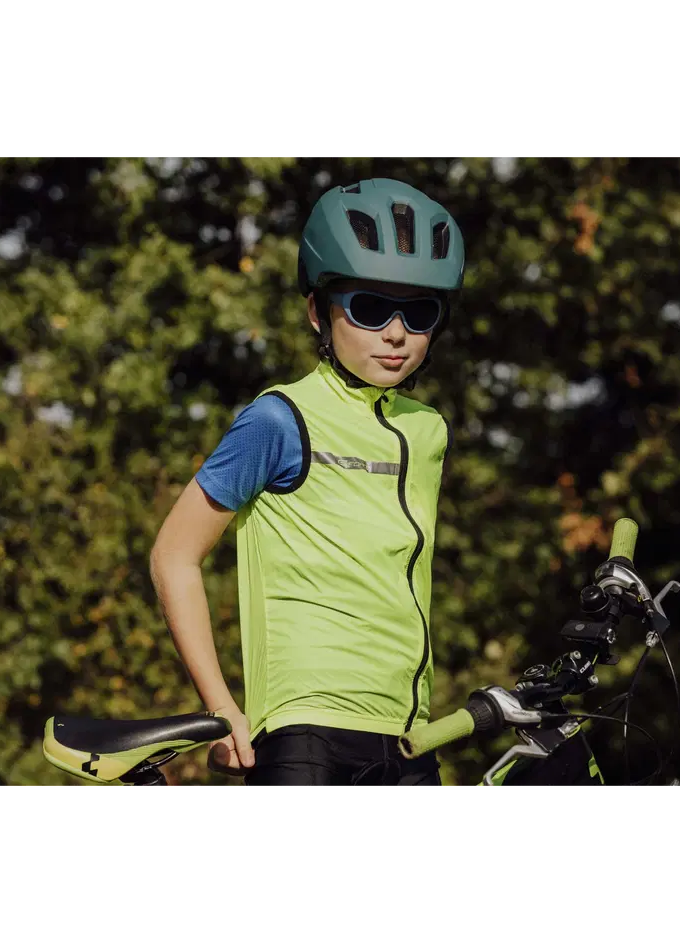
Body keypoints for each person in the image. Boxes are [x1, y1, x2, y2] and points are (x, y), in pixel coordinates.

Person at [150, 177, 465, 788]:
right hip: (306, 730)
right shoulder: (278, 418)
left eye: (420, 312)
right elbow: (173, 555)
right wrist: (223, 709)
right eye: (369, 308)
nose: (396, 332)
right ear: (318, 311)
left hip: (409, 732)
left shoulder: (428, 430)